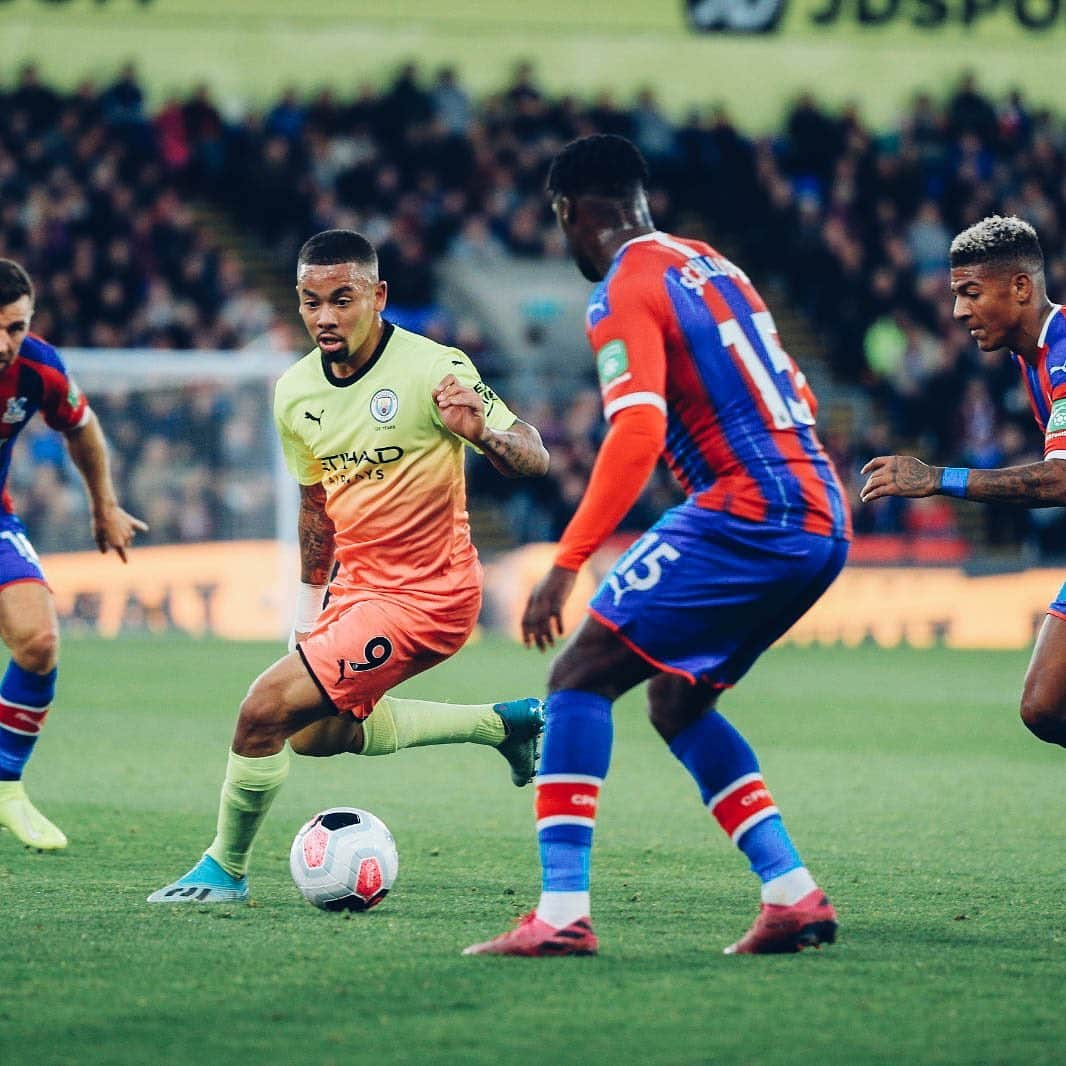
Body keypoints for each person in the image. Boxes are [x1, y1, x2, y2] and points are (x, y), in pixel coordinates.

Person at [464, 136, 851, 958]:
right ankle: (791, 893)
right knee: (677, 700)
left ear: (571, 211)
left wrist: (566, 561)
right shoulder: (712, 264)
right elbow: (797, 390)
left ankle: (562, 914)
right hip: (819, 508)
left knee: (577, 677)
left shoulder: (622, 288)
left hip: (752, 510)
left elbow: (637, 430)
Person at [150, 229, 550, 903]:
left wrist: (484, 434)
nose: (326, 317)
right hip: (357, 591)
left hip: (431, 596)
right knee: (314, 736)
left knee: (261, 713)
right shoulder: (294, 393)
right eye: (311, 302)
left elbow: (534, 454)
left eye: (343, 299)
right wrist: (306, 612)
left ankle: (225, 869)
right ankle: (504, 722)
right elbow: (315, 511)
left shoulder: (432, 368)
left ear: (378, 295)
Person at [861, 215, 1066, 748]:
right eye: (956, 294)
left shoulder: (1063, 353)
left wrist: (937, 479)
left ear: (1020, 286)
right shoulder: (1034, 358)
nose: (958, 311)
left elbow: (1062, 479)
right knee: (1045, 706)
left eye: (971, 293)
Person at [0, 259, 146, 850]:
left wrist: (103, 506)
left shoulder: (38, 367)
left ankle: (5, 786)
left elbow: (81, 427)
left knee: (39, 641)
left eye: (16, 327)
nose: (6, 342)